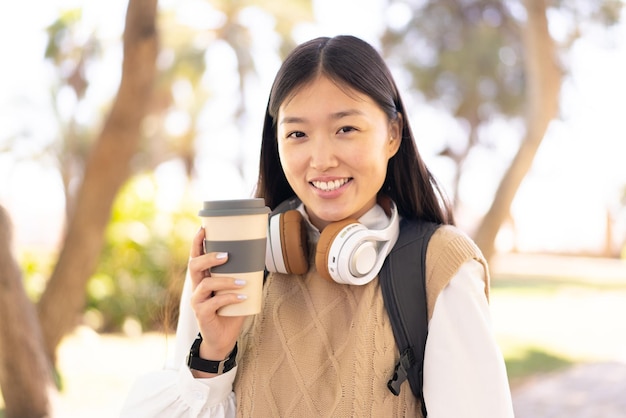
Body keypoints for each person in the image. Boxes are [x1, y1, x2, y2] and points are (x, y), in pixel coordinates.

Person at [121, 35, 514, 417]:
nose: (321, 159)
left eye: (345, 129)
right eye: (297, 134)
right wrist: (214, 352)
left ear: (393, 134)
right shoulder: (236, 254)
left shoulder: (439, 265)